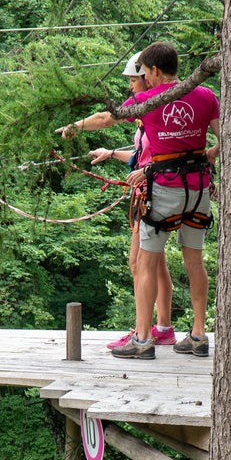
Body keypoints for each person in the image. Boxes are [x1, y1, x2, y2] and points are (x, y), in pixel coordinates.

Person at [58, 42, 219, 360]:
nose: (143, 77)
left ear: (155, 71)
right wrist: (207, 158)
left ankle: (143, 339)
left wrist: (76, 126)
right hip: (198, 188)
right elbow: (228, 137)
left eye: (144, 71)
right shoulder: (206, 96)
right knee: (195, 262)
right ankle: (198, 335)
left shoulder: (149, 100)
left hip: (164, 190)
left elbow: (108, 118)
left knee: (145, 265)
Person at [86, 52, 175, 350]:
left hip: (152, 193)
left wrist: (76, 127)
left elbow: (105, 119)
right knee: (157, 263)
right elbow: (142, 156)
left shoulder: (148, 109)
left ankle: (142, 333)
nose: (131, 87)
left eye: (134, 80)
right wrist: (111, 153)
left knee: (138, 264)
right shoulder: (147, 116)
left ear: (149, 76)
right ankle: (162, 327)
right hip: (152, 189)